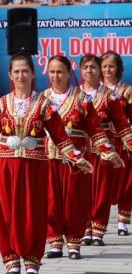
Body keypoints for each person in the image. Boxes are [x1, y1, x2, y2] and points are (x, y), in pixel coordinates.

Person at [0, 53, 92, 274]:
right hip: (5, 168)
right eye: (16, 71)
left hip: (35, 167)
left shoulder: (44, 105)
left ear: (33, 74)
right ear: (10, 75)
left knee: (34, 213)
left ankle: (32, 260)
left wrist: (76, 158)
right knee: (6, 213)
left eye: (25, 71)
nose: (21, 75)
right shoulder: (2, 104)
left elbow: (59, 136)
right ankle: (11, 262)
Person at [42, 55, 122, 260]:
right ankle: (54, 241)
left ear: (69, 73)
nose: (56, 76)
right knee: (51, 200)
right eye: (52, 72)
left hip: (77, 160)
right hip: (48, 157)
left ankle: (74, 241)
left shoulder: (82, 99)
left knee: (75, 200)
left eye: (60, 72)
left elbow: (95, 129)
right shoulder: (41, 99)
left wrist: (108, 151)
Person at [79, 54, 132, 245]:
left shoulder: (112, 95)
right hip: (81, 151)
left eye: (94, 67)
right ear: (80, 70)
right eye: (86, 67)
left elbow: (123, 122)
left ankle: (99, 230)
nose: (90, 71)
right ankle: (85, 228)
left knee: (103, 190)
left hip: (108, 149)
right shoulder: (75, 95)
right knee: (83, 191)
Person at [101, 51, 132, 236]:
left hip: (121, 143)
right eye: (104, 66)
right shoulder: (94, 92)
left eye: (111, 66)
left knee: (126, 183)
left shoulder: (127, 91)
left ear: (118, 68)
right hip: (101, 144)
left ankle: (123, 221)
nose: (107, 70)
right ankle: (96, 222)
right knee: (102, 183)